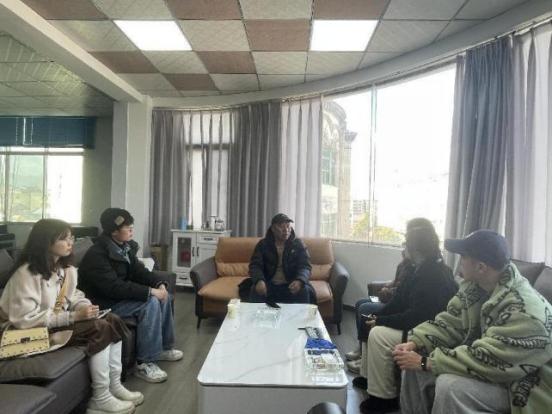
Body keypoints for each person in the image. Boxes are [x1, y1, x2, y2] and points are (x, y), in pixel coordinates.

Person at [394, 230, 552, 414]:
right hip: (496, 369)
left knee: (450, 386)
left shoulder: (527, 313)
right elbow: (450, 323)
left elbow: (490, 360)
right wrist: (416, 342)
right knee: (413, 362)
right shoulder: (476, 288)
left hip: (524, 385)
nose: (459, 261)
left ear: (481, 267)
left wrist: (426, 362)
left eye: (463, 256)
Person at [0, 219, 142, 414]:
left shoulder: (65, 269)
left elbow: (74, 295)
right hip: (25, 333)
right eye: (64, 239)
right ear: (46, 241)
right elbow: (24, 320)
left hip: (52, 324)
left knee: (112, 319)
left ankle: (114, 385)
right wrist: (73, 317)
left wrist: (85, 308)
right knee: (99, 328)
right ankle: (100, 397)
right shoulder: (26, 274)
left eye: (71, 238)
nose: (70, 243)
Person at [357, 225, 457, 414]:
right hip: (417, 324)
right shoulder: (417, 268)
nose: (404, 249)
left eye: (407, 245)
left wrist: (382, 322)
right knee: (369, 321)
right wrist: (378, 316)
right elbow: (399, 301)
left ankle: (384, 398)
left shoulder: (434, 276)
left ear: (416, 250)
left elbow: (416, 317)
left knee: (379, 334)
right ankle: (368, 377)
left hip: (427, 331)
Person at [78, 208, 182, 383]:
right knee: (150, 302)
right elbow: (114, 287)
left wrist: (159, 284)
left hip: (119, 297)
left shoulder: (124, 248)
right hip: (104, 303)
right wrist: (149, 291)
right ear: (114, 231)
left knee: (164, 296)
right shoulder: (97, 254)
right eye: (128, 227)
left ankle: (163, 348)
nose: (132, 230)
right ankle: (145, 363)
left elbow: (139, 271)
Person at [346, 218, 439, 373]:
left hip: (417, 328)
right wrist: (378, 315)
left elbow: (414, 314)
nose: (404, 245)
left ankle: (366, 365)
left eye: (407, 242)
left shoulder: (430, 274)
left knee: (370, 318)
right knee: (368, 313)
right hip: (404, 313)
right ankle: (364, 363)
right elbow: (400, 294)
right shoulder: (413, 265)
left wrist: (381, 319)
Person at [249, 213, 313, 304]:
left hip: (291, 284)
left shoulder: (298, 244)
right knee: (255, 289)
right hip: (268, 284)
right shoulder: (263, 244)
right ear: (273, 229)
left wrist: (300, 280)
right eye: (281, 226)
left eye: (288, 226)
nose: (286, 230)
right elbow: (255, 265)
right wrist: (259, 280)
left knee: (304, 290)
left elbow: (305, 266)